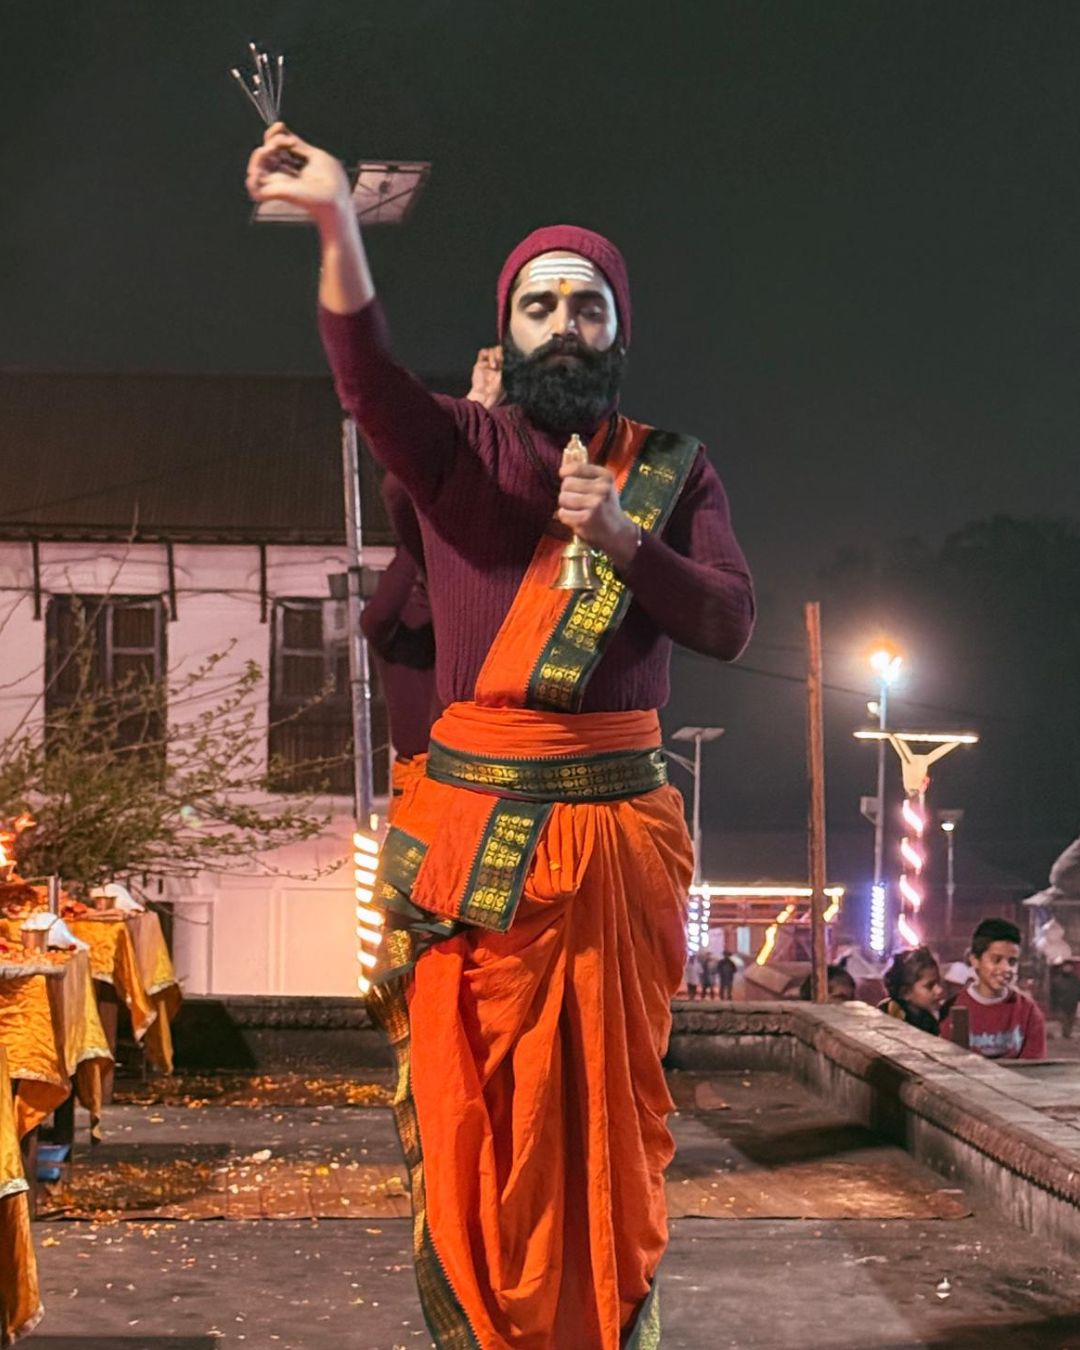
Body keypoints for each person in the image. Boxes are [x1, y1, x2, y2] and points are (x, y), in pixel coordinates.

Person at [246, 125, 754, 1348]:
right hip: (480, 859)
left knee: (609, 1134)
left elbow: (731, 622)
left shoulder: (673, 475)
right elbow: (365, 381)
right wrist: (336, 227)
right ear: (507, 328)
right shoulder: (460, 452)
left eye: (587, 306)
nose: (564, 324)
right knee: (487, 1128)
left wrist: (627, 547)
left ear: (617, 332)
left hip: (618, 856)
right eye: (540, 305)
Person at [941, 917, 1047, 1060]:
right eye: (996, 960)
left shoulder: (1028, 1011)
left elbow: (1035, 1067)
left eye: (1012, 961)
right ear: (975, 960)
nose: (1006, 968)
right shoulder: (953, 1009)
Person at [878, 946, 944, 1036]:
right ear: (905, 993)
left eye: (938, 983)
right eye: (929, 986)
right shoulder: (887, 1018)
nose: (939, 990)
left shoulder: (929, 1021)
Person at [1049, 959, 1080, 1038]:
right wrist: (1053, 1006)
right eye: (1066, 967)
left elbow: (1078, 990)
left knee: (1070, 1020)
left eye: (1069, 967)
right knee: (1064, 1020)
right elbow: (1053, 993)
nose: (1068, 968)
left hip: (1072, 1004)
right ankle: (1065, 1034)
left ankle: (1067, 1034)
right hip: (1061, 1004)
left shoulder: (1075, 979)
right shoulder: (1057, 980)